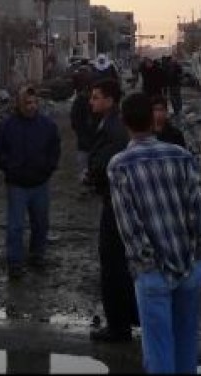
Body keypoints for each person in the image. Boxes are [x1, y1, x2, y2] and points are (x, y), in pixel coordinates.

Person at [109, 93, 201, 374]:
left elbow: (129, 224)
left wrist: (145, 264)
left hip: (153, 272)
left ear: (124, 121)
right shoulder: (180, 155)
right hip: (188, 264)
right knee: (186, 343)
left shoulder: (120, 164)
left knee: (158, 350)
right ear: (153, 120)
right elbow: (198, 210)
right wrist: (199, 255)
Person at [0, 85, 62, 278]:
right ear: (18, 104)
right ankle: (15, 262)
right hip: (17, 185)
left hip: (40, 183)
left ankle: (37, 254)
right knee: (15, 226)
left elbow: (55, 148)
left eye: (34, 102)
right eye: (27, 103)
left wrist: (48, 168)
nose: (31, 106)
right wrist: (10, 167)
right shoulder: (6, 126)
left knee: (41, 222)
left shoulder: (47, 125)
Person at [87, 78, 138, 342]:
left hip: (115, 201)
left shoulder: (114, 128)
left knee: (113, 264)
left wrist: (92, 173)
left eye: (96, 97)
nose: (91, 101)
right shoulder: (108, 123)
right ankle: (126, 318)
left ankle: (119, 325)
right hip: (115, 198)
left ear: (109, 100)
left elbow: (108, 162)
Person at [70, 68, 96, 188]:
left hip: (90, 139)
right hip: (86, 139)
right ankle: (86, 184)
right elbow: (75, 120)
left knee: (88, 163)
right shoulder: (81, 100)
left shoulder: (86, 100)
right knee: (85, 162)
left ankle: (88, 183)